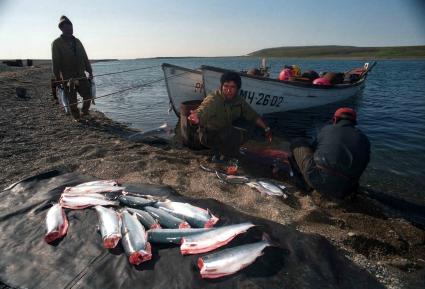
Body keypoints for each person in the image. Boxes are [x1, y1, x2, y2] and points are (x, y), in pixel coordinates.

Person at [188, 71, 272, 161]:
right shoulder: (214, 99)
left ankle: (225, 151)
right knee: (232, 135)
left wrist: (266, 128)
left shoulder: (238, 100)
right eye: (226, 86)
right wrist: (196, 118)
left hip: (224, 129)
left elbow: (252, 115)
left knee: (248, 131)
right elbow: (203, 108)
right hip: (208, 135)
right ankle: (221, 154)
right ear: (221, 86)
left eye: (232, 87)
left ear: (237, 89)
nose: (228, 90)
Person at [290, 107, 370, 199]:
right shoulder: (364, 139)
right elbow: (363, 164)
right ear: (354, 122)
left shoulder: (327, 129)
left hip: (318, 180)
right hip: (345, 190)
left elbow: (313, 149)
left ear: (335, 119)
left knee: (298, 142)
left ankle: (301, 182)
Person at [51, 15, 93, 121]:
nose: (70, 29)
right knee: (72, 100)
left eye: (71, 27)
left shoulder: (78, 41)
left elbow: (85, 56)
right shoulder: (56, 43)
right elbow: (55, 63)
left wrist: (90, 71)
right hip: (68, 77)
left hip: (81, 75)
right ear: (61, 28)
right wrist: (58, 79)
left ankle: (84, 111)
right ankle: (76, 117)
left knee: (88, 95)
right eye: (67, 27)